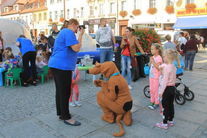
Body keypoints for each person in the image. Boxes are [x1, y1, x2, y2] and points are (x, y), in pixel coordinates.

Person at [48, 19, 84, 126]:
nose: (77, 30)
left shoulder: (63, 32)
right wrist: (81, 35)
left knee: (60, 91)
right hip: (62, 66)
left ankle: (61, 113)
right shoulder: (68, 32)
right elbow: (76, 48)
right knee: (65, 92)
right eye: (77, 28)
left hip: (56, 64)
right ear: (74, 25)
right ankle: (66, 117)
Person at [155, 49, 178, 130]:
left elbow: (164, 81)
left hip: (166, 89)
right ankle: (171, 120)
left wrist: (161, 92)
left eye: (164, 56)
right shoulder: (173, 66)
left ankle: (164, 123)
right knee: (171, 105)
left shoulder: (166, 68)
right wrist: (162, 66)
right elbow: (163, 66)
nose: (163, 58)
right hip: (172, 88)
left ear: (167, 57)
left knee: (165, 106)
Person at [148, 43, 163, 110]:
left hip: (156, 77)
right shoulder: (153, 57)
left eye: (152, 49)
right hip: (151, 76)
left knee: (156, 90)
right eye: (151, 49)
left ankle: (156, 102)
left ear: (157, 50)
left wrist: (153, 62)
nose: (151, 50)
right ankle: (152, 101)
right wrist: (150, 62)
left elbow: (158, 68)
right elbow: (150, 66)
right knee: (151, 89)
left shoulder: (159, 58)